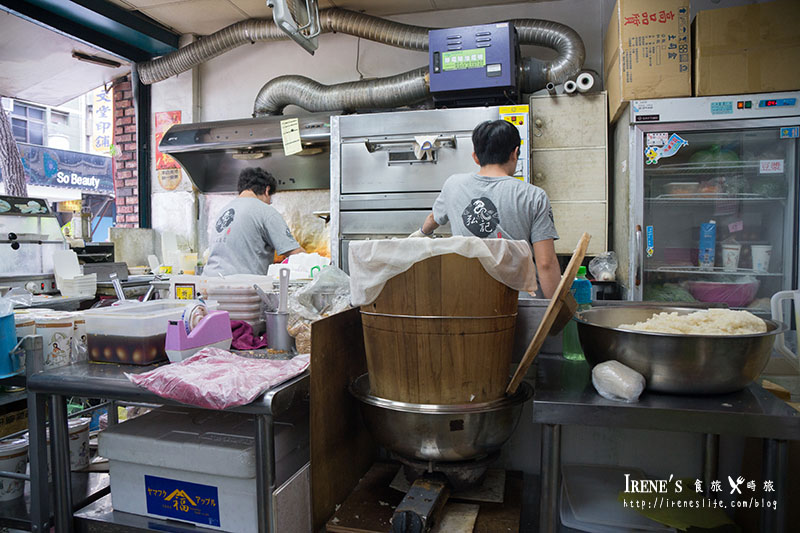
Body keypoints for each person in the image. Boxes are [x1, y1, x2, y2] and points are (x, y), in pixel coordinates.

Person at [411, 119, 562, 298]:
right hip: (518, 303)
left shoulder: (453, 184)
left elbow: (432, 220)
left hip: (468, 300)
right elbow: (546, 263)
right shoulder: (534, 196)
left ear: (475, 157)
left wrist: (420, 234)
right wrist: (555, 311)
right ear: (515, 154)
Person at [203, 167, 304, 277]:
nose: (270, 203)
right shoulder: (265, 211)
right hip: (241, 288)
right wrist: (320, 266)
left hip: (208, 285)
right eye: (270, 198)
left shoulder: (223, 211)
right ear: (267, 190)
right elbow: (296, 253)